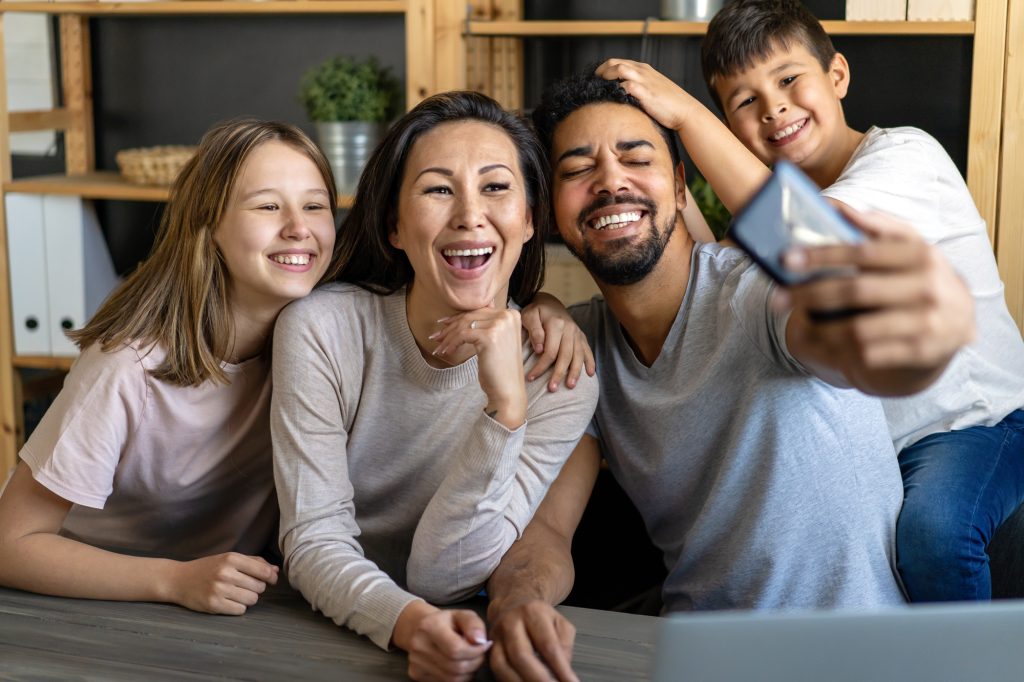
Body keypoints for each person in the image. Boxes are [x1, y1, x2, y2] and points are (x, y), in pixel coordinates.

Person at [483, 69, 977, 682]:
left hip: (854, 660)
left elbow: (849, 332)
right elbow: (548, 529)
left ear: (681, 187)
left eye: (636, 157)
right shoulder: (578, 350)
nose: (611, 181)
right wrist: (517, 600)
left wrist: (910, 330)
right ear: (552, 213)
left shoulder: (753, 294)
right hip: (696, 655)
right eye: (578, 170)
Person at [597, 0, 1024, 603]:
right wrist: (662, 183)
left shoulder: (905, 157)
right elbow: (700, 276)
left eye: (789, 80)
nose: (773, 108)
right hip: (886, 446)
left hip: (978, 423)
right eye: (744, 102)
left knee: (933, 535)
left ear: (839, 76)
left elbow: (820, 247)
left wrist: (689, 116)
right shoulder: (763, 212)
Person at [270, 91, 599, 682]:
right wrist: (413, 624)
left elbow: (445, 575)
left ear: (529, 219)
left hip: (463, 635)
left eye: (496, 188)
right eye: (438, 189)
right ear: (395, 225)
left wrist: (505, 409)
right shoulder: (323, 329)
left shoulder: (561, 376)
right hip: (313, 624)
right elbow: (313, 538)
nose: (470, 215)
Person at [0, 118, 338, 614]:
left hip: (219, 599)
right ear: (209, 225)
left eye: (315, 205)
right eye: (268, 206)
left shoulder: (323, 344)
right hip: (81, 596)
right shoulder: (125, 366)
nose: (298, 228)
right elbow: (12, 544)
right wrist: (174, 581)